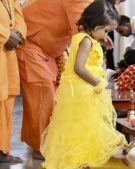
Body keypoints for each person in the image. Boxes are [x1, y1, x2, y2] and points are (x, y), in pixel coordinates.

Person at [16, 0, 123, 159]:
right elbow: (82, 35)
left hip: (52, 51)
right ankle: (41, 147)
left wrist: (100, 37)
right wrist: (96, 80)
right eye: (106, 30)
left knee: (60, 97)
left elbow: (86, 31)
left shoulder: (91, 11)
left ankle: (54, 142)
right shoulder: (82, 4)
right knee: (43, 94)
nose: (118, 3)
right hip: (32, 44)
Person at [0, 0, 26, 163]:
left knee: (7, 101)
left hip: (8, 55)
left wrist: (18, 34)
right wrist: (6, 34)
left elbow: (19, 18)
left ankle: (2, 149)